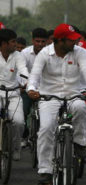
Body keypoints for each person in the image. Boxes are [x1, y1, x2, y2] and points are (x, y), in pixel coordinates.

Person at [27, 23, 86, 185]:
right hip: (49, 97)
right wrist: (31, 89)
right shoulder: (45, 54)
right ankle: (45, 171)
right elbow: (34, 75)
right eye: (71, 40)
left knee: (81, 108)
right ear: (59, 41)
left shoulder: (79, 52)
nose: (75, 43)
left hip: (73, 95)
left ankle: (80, 142)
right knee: (46, 129)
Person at [0, 29, 29, 161]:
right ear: (4, 43)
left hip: (13, 93)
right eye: (12, 42)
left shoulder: (18, 55)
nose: (15, 44)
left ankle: (16, 148)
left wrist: (27, 82)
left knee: (18, 122)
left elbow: (23, 70)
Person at [21, 27, 48, 147]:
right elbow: (20, 71)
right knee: (22, 113)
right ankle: (24, 135)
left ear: (46, 41)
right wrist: (24, 83)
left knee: (47, 117)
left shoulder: (50, 54)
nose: (40, 44)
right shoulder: (25, 53)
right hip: (27, 88)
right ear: (32, 41)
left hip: (45, 89)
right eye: (37, 41)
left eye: (43, 41)